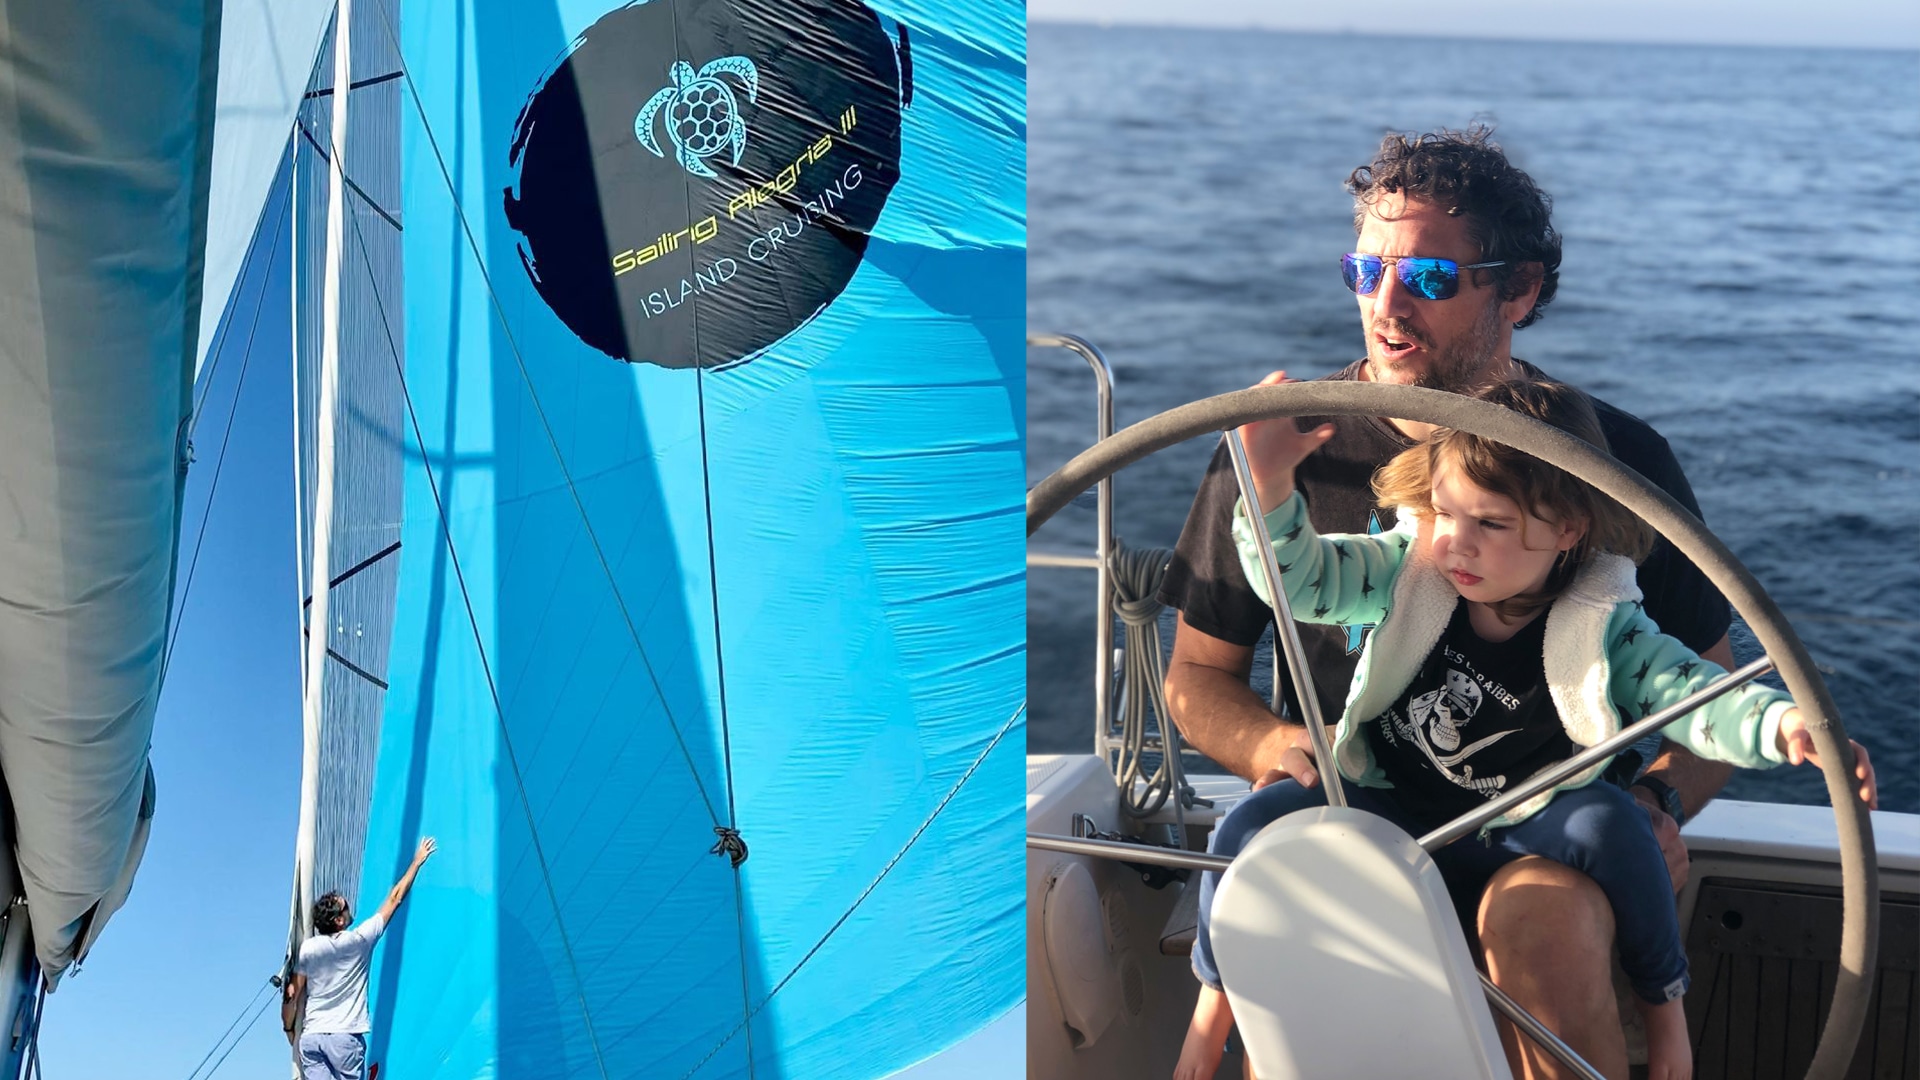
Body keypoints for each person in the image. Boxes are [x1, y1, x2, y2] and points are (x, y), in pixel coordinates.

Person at [1157, 128, 1743, 1077]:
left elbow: (1706, 689)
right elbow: (1197, 675)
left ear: (1521, 290)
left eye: (1428, 278)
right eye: (1365, 269)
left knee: (1541, 923)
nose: (1384, 307)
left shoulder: (1616, 463)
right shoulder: (1277, 455)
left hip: (1548, 832)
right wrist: (1272, 747)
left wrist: (1654, 803)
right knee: (1302, 898)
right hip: (1358, 816)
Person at [1172, 378, 1878, 1080]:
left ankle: (1668, 1023)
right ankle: (1212, 1016)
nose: (1457, 543)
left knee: (1614, 827)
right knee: (1253, 828)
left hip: (1524, 825)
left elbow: (1694, 694)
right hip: (1391, 801)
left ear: (1568, 528)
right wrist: (1266, 487)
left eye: (1492, 524)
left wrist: (1784, 726)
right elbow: (1300, 579)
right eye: (1446, 512)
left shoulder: (1606, 624)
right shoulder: (1406, 565)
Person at [282, 837, 438, 1080]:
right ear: (339, 921)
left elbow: (291, 993)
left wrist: (289, 1029)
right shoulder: (360, 941)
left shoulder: (308, 949)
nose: (348, 906)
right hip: (344, 1039)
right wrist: (417, 861)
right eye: (344, 907)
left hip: (312, 1040)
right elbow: (395, 898)